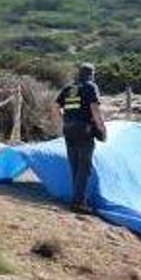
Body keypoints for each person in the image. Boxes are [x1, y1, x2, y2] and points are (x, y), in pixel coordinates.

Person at [55, 63, 107, 214]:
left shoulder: (68, 88)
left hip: (69, 130)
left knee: (75, 166)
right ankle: (78, 204)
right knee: (84, 168)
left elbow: (55, 106)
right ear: (91, 74)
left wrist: (64, 120)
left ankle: (76, 198)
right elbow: (94, 109)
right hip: (84, 130)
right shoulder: (91, 87)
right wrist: (101, 128)